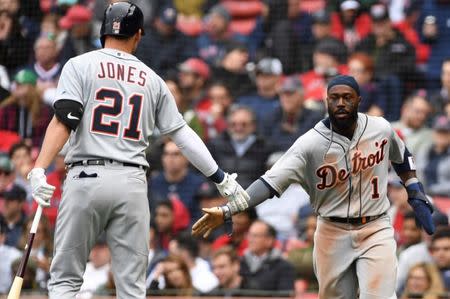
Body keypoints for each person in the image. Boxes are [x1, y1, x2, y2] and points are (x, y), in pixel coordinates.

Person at [26, 2, 248, 298]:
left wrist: (40, 166)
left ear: (103, 31)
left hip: (85, 177)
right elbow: (182, 135)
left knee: (65, 281)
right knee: (132, 288)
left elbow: (65, 118)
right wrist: (220, 177)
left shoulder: (79, 64)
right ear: (139, 35)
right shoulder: (153, 80)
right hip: (131, 183)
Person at [192, 75, 436, 299]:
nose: (341, 102)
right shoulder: (309, 144)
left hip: (376, 226)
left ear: (359, 100)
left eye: (347, 97)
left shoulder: (380, 127)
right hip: (332, 230)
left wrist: (414, 189)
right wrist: (228, 210)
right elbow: (268, 182)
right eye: (335, 97)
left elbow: (401, 156)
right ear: (325, 100)